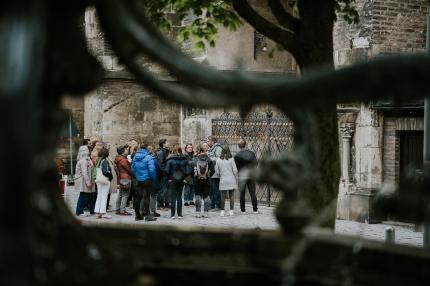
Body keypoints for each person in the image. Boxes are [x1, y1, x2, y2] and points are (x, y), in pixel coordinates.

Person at [131, 143, 157, 222]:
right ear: (146, 149)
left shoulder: (135, 157)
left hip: (138, 179)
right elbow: (152, 170)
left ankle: (137, 215)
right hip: (147, 179)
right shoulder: (149, 157)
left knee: (138, 198)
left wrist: (137, 176)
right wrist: (153, 178)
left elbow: (132, 169)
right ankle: (147, 216)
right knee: (146, 197)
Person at [234, 139, 259, 214]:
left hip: (241, 176)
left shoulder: (237, 155)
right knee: (252, 193)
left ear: (238, 146)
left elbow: (235, 166)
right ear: (246, 144)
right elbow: (256, 164)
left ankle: (243, 211)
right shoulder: (251, 153)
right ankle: (255, 210)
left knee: (242, 194)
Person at [165, 146, 188, 219]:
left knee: (173, 197)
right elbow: (187, 171)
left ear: (173, 151)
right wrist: (184, 178)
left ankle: (172, 215)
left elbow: (166, 170)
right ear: (181, 151)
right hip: (181, 180)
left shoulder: (170, 160)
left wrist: (168, 178)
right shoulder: (185, 159)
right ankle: (180, 214)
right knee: (179, 196)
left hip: (172, 179)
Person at [214, 146, 238, 217]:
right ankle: (231, 211)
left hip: (223, 180)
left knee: (223, 197)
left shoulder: (218, 160)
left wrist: (220, 176)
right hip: (231, 179)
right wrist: (236, 177)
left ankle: (222, 211)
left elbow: (217, 172)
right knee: (232, 196)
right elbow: (235, 171)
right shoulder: (232, 159)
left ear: (222, 151)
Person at [193, 144, 214, 218]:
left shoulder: (195, 159)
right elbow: (213, 171)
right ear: (205, 151)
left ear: (199, 151)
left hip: (197, 180)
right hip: (207, 180)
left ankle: (198, 212)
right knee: (206, 196)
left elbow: (191, 170)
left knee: (198, 195)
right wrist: (208, 176)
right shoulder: (209, 160)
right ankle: (206, 213)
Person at [74, 146, 95, 216]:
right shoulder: (84, 161)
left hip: (87, 180)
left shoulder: (87, 159)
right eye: (87, 149)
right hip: (84, 181)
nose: (88, 150)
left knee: (90, 196)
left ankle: (92, 210)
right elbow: (84, 172)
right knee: (83, 196)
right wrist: (88, 182)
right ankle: (79, 211)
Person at [94, 147, 113, 219]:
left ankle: (97, 212)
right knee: (104, 196)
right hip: (105, 180)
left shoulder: (99, 160)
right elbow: (105, 171)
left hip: (99, 180)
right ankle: (103, 212)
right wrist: (110, 175)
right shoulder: (105, 161)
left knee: (99, 196)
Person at [114, 145, 132, 215]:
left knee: (120, 194)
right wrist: (130, 162)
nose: (126, 151)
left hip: (121, 177)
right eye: (125, 150)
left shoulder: (117, 158)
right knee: (125, 195)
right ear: (123, 151)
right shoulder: (123, 160)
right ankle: (123, 210)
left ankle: (117, 209)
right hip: (126, 178)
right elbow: (129, 169)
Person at [207, 136, 222, 210]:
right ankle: (211, 205)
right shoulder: (210, 149)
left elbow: (219, 158)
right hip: (210, 172)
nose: (207, 142)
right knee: (210, 190)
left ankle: (218, 205)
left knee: (216, 190)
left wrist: (208, 159)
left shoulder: (218, 148)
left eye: (208, 141)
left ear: (213, 141)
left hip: (216, 172)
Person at [147, 146, 161, 218]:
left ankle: (143, 210)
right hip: (152, 180)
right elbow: (158, 170)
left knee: (145, 196)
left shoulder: (141, 158)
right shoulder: (153, 159)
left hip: (143, 179)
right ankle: (152, 211)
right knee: (153, 195)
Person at [156, 138, 170, 209]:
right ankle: (160, 205)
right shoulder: (161, 152)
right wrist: (165, 172)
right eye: (167, 142)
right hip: (162, 174)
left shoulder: (164, 151)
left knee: (165, 189)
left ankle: (164, 204)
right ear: (163, 144)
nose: (168, 143)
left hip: (164, 173)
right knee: (161, 190)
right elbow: (161, 164)